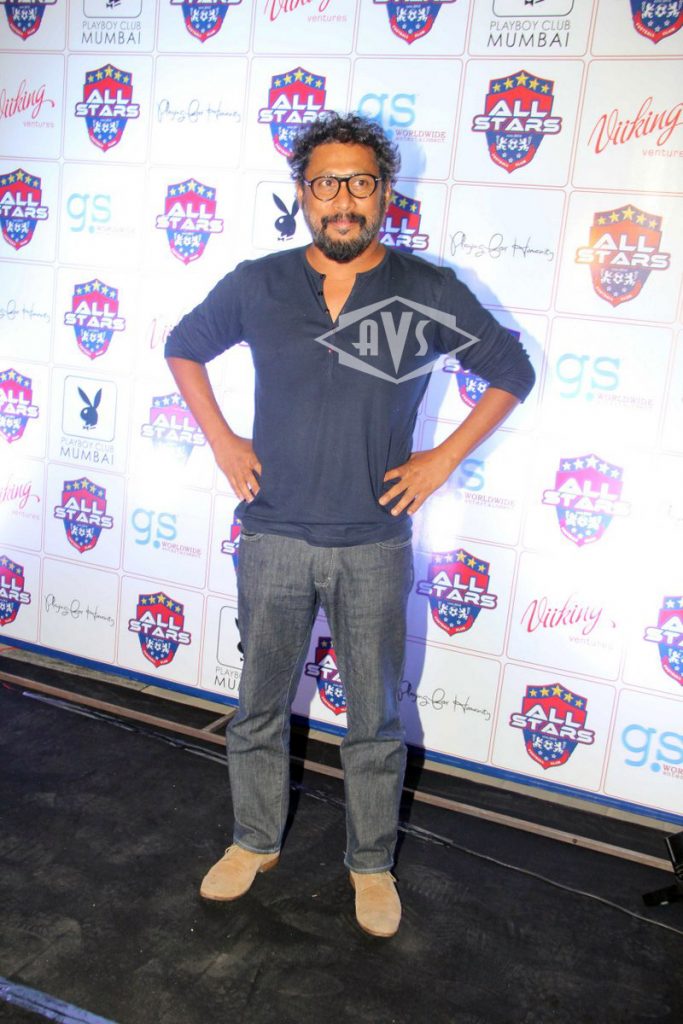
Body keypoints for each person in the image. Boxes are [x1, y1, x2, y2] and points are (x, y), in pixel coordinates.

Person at [165, 112, 535, 938]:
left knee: (373, 721)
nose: (343, 200)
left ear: (384, 193)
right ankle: (252, 841)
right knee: (259, 707)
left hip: (373, 543)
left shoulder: (424, 288)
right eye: (326, 183)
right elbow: (183, 346)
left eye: (359, 182)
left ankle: (370, 864)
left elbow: (511, 369)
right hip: (272, 536)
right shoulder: (259, 282)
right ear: (301, 194)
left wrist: (443, 458)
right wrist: (222, 440)